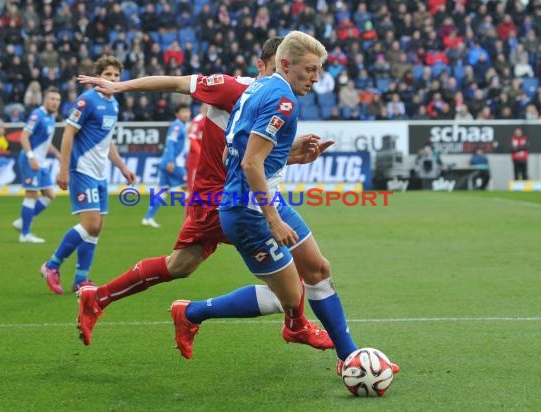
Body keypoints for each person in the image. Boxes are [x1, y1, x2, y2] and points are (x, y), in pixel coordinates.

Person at [76, 37, 334, 352]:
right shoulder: (234, 88)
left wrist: (294, 155)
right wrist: (121, 87)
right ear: (267, 65)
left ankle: (100, 297)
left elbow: (252, 158)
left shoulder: (273, 100)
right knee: (292, 277)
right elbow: (175, 82)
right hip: (221, 198)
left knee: (181, 265)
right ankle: (295, 324)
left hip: (232, 195)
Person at [172, 31, 399, 374]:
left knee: (318, 271)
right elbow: (249, 163)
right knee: (288, 298)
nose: (316, 78)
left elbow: (231, 153)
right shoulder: (283, 101)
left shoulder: (257, 89)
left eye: (318, 70)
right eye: (309, 69)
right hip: (250, 213)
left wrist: (291, 155)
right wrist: (273, 219)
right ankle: (191, 313)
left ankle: (348, 357)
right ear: (286, 64)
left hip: (262, 201)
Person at [40, 56, 136, 294]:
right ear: (98, 77)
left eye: (116, 75)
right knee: (90, 223)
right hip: (82, 170)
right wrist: (63, 169)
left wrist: (122, 167)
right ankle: (51, 265)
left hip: (100, 173)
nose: (112, 79)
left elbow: (107, 141)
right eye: (108, 75)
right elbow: (69, 134)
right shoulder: (87, 101)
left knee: (97, 226)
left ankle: (81, 279)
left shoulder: (114, 104)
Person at [11, 87, 62, 243]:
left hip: (41, 162)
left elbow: (45, 143)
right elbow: (24, 137)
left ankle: (23, 221)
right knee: (32, 195)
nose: (55, 102)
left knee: (49, 195)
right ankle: (25, 234)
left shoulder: (51, 117)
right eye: (52, 99)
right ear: (45, 99)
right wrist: (31, 157)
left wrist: (58, 154)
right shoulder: (37, 115)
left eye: (57, 100)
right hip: (30, 160)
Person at [142, 103, 191, 228]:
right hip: (174, 164)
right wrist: (171, 161)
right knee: (190, 187)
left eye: (187, 111)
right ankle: (191, 220)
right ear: (177, 114)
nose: (186, 114)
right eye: (183, 112)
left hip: (167, 162)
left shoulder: (181, 126)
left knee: (162, 190)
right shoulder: (177, 126)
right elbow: (170, 143)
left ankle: (148, 218)